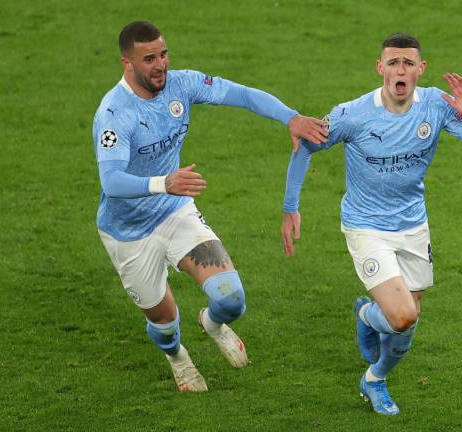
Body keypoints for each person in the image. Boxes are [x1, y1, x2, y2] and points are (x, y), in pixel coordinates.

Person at [93, 21, 327, 392]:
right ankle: (178, 359)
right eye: (149, 58)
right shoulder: (113, 114)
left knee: (231, 298)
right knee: (164, 321)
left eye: (164, 54)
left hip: (173, 211)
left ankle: (212, 323)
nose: (161, 65)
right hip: (128, 232)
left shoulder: (182, 84)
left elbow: (243, 94)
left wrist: (292, 118)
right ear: (127, 63)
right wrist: (163, 183)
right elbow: (111, 181)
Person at [280, 33, 462, 415]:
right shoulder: (354, 114)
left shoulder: (435, 104)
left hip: (414, 224)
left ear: (420, 69)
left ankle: (375, 378)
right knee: (402, 316)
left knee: (405, 324)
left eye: (408, 63)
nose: (401, 70)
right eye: (393, 63)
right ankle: (367, 315)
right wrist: (290, 206)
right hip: (366, 226)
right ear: (380, 67)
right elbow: (306, 146)